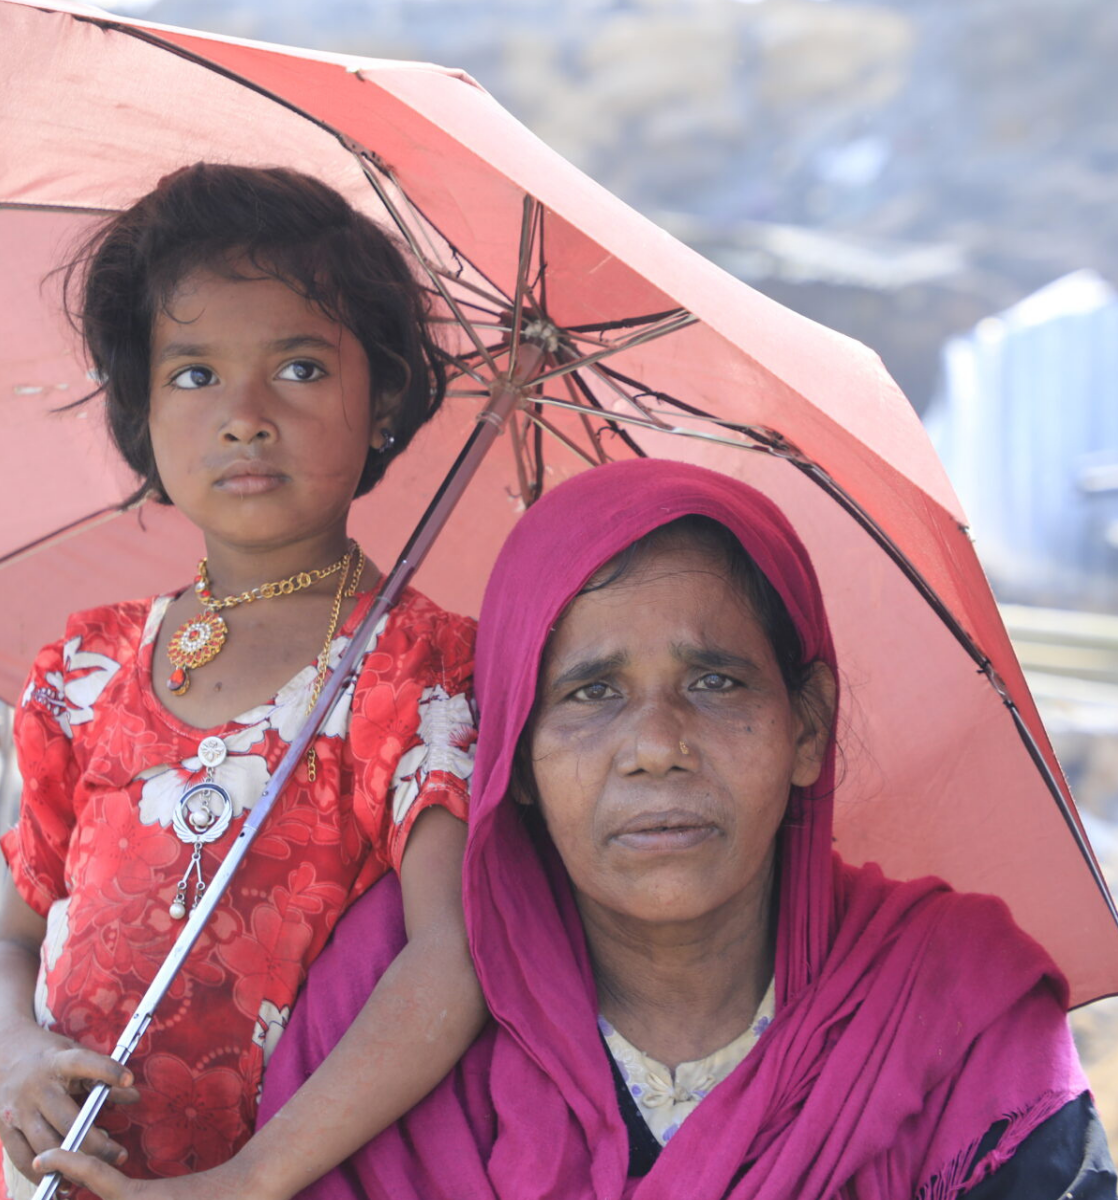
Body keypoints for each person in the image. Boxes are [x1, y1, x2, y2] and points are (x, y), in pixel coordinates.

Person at [259, 458, 1115, 1198]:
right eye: (592, 692)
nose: (658, 748)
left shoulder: (951, 1002)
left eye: (715, 682)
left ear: (807, 727)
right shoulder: (380, 1004)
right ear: (511, 755)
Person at [0, 164, 484, 1200]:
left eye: (300, 368)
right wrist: (6, 1055)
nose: (244, 416)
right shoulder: (88, 669)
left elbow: (450, 958)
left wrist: (252, 1178)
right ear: (140, 410)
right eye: (193, 375)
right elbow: (9, 943)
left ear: (383, 399)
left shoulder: (415, 673)